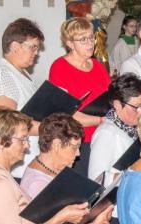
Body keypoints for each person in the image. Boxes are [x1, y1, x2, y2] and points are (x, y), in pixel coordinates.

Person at [88, 73, 141, 224]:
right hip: (116, 214)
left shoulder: (133, 129)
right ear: (117, 104)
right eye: (136, 107)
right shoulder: (107, 133)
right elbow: (96, 179)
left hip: (134, 209)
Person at [0, 18, 44, 178]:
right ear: (14, 46)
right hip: (7, 169)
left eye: (37, 48)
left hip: (20, 166)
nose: (36, 52)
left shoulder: (21, 74)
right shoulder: (2, 74)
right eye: (33, 47)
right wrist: (51, 128)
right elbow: (7, 124)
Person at [49, 17, 111, 178]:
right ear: (70, 43)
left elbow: (110, 96)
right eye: (83, 40)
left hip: (103, 136)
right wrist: (99, 120)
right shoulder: (59, 67)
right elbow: (64, 114)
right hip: (77, 141)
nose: (90, 43)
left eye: (91, 37)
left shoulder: (97, 65)